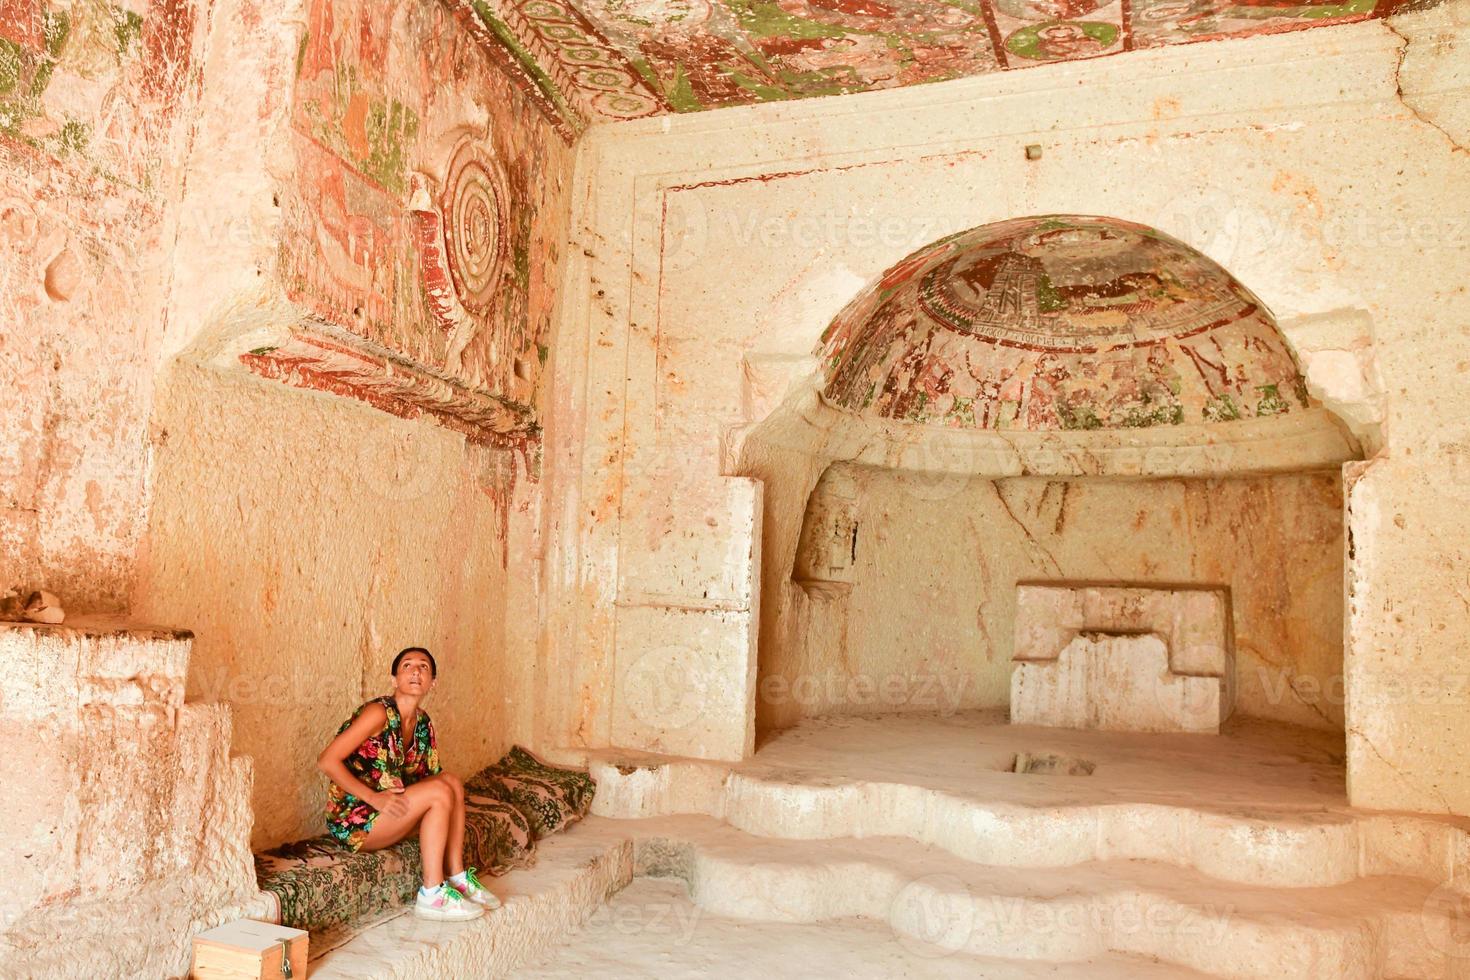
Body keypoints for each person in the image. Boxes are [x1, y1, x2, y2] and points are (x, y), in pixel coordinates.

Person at [317, 646, 498, 921]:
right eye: (407, 666)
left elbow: (432, 779)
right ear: (394, 680)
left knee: (451, 782)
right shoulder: (378, 713)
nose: (416, 671)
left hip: (391, 814)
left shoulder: (422, 722)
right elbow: (327, 760)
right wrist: (374, 798)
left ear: (433, 682)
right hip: (357, 821)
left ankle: (458, 877)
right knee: (440, 791)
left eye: (424, 667)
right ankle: (431, 894)